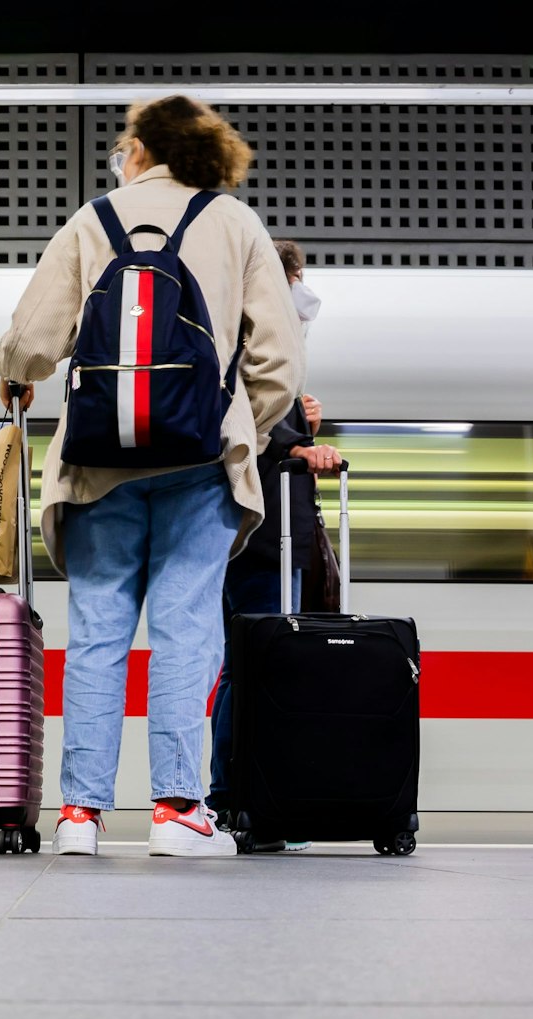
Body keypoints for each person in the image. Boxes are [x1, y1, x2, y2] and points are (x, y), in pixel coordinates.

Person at [0, 95, 304, 858]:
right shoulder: (235, 223)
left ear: (139, 149)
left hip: (98, 463)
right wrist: (239, 430)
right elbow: (278, 363)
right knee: (185, 631)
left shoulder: (91, 220)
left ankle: (79, 816)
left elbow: (29, 345)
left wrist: (15, 371)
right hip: (202, 465)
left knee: (98, 633)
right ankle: (176, 811)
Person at [206, 239, 339, 847]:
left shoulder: (238, 339)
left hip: (253, 533)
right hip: (266, 538)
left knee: (245, 667)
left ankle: (241, 799)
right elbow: (248, 430)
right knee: (259, 668)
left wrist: (303, 425)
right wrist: (299, 445)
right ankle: (241, 802)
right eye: (295, 281)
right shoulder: (254, 342)